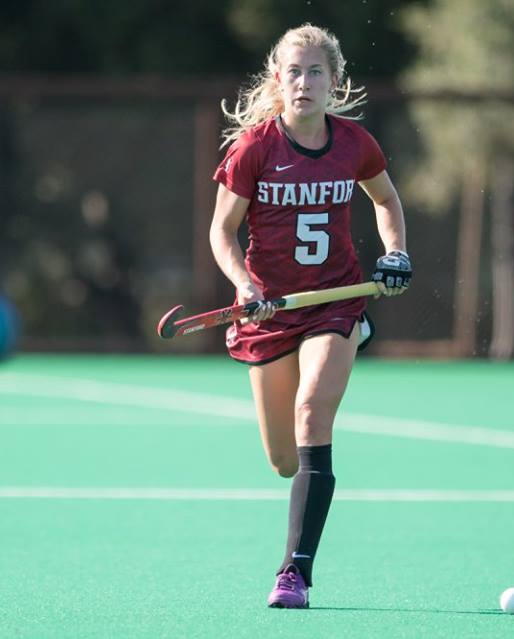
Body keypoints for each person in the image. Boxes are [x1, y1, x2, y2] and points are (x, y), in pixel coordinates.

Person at [209, 24, 411, 609]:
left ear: (335, 81)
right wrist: (245, 285)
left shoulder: (355, 144)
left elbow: (386, 201)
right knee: (281, 459)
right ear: (278, 79)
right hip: (270, 311)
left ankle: (293, 571)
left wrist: (395, 252)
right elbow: (222, 231)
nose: (304, 83)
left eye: (315, 71)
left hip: (336, 300)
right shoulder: (253, 148)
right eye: (294, 72)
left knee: (310, 414)